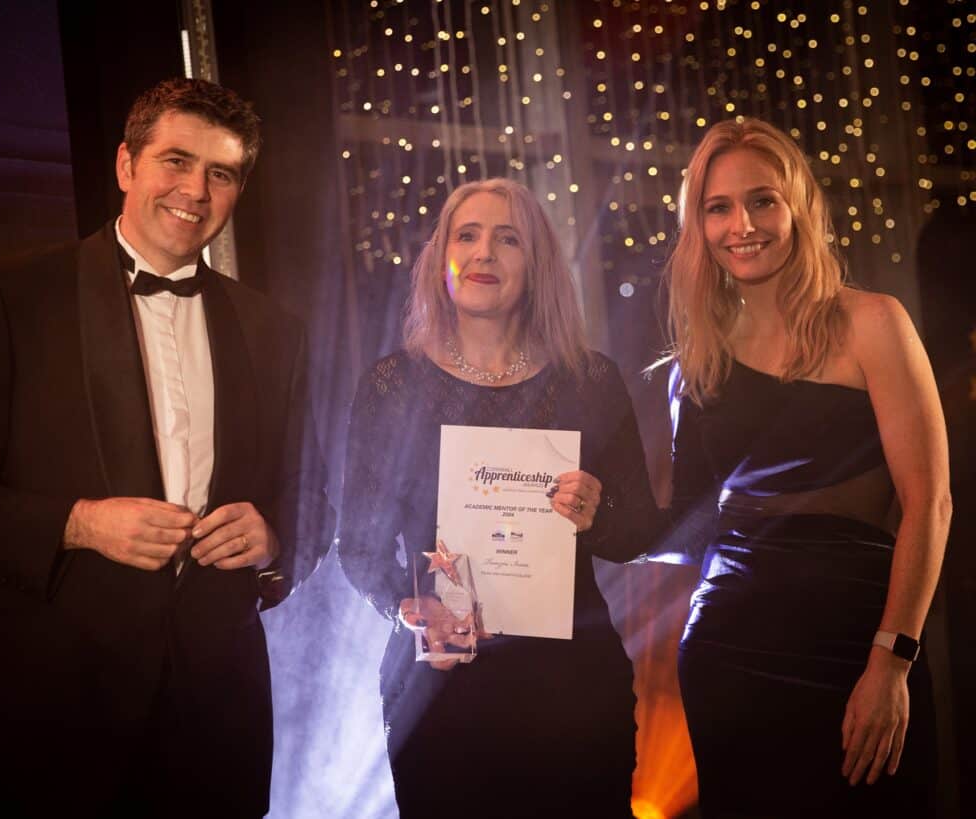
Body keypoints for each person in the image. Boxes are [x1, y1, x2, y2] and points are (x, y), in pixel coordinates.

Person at [0, 78, 332, 818]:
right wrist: (79, 522)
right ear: (126, 165)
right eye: (176, 161)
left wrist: (274, 533)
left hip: (216, 718)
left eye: (220, 173)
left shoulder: (274, 329)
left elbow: (311, 496)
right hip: (51, 714)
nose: (195, 189)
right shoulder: (7, 297)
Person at [337, 177, 662, 818]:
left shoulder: (590, 380)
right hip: (439, 683)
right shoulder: (391, 384)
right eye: (468, 235)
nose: (485, 253)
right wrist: (410, 608)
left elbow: (640, 532)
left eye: (507, 238)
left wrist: (597, 515)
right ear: (442, 260)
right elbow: (360, 548)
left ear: (536, 266)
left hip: (572, 689)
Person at [662, 117, 950, 817]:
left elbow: (930, 504)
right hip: (728, 657)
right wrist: (582, 505)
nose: (743, 224)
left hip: (859, 649)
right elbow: (682, 531)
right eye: (719, 206)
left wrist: (891, 659)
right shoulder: (696, 364)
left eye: (763, 200)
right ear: (697, 224)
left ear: (798, 206)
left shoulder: (874, 324)